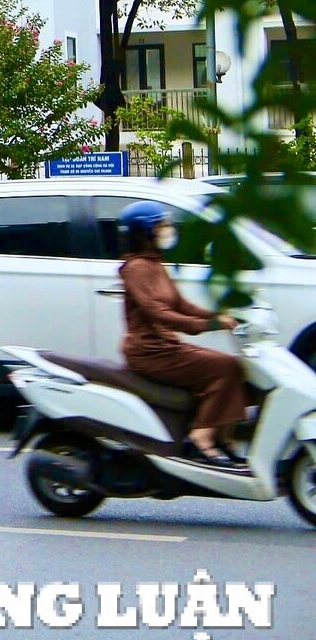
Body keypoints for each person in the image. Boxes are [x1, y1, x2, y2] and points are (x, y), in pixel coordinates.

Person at [116, 201, 247, 469]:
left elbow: (181, 305)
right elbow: (159, 313)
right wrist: (207, 326)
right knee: (225, 367)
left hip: (167, 346)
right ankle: (201, 437)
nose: (168, 230)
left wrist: (218, 315)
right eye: (161, 225)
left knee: (237, 367)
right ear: (144, 233)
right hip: (151, 352)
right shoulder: (136, 269)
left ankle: (222, 437)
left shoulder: (155, 264)